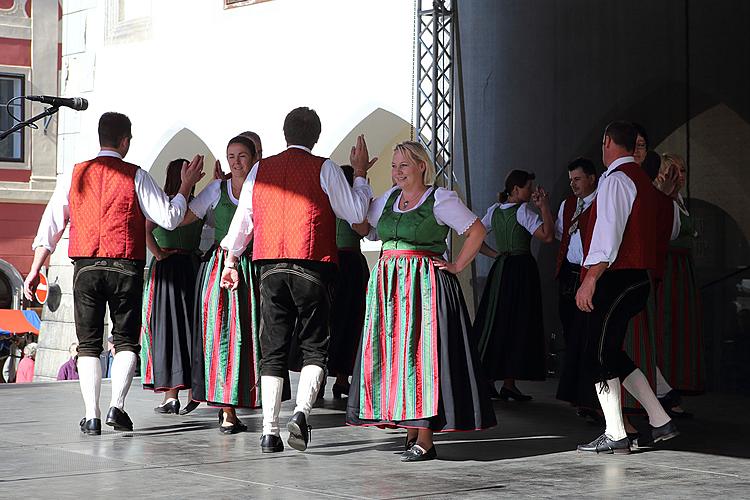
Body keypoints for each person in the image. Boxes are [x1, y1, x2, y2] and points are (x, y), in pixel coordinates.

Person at [24, 111, 205, 436]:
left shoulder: (75, 175)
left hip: (86, 267)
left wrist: (36, 268)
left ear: (100, 137)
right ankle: (116, 407)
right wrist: (186, 186)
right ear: (124, 141)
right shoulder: (137, 176)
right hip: (125, 267)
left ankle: (92, 416)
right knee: (124, 342)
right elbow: (170, 218)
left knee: (89, 345)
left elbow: (50, 224)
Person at [220, 107, 374, 454]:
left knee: (272, 348)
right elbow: (356, 214)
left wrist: (231, 260)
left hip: (269, 266)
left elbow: (243, 221)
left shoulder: (261, 169)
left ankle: (269, 431)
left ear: (285, 134)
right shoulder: (326, 168)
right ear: (315, 137)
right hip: (312, 265)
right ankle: (302, 412)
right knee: (314, 345)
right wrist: (361, 175)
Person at [346, 141, 495, 462]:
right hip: (388, 287)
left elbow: (477, 230)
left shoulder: (439, 199)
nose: (397, 172)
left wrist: (456, 266)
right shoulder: (386, 199)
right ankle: (411, 428)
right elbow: (362, 227)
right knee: (397, 357)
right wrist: (359, 177)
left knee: (423, 357)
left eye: (404, 165)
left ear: (421, 166)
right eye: (394, 166)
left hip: (424, 286)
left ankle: (425, 437)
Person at [575, 120, 680, 455]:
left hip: (618, 277)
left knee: (598, 354)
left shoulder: (617, 180)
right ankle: (660, 419)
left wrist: (591, 278)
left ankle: (616, 432)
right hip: (635, 278)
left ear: (607, 141)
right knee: (611, 352)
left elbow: (608, 234)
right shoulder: (642, 183)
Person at [184, 135, 263, 433]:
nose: (236, 162)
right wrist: (184, 187)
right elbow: (182, 218)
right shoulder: (216, 189)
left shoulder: (262, 188)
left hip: (254, 265)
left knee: (254, 336)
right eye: (231, 156)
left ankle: (252, 403)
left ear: (254, 157)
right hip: (223, 266)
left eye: (242, 156)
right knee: (221, 336)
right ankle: (226, 410)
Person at [474, 170, 555, 400]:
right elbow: (547, 236)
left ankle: (493, 380)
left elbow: (476, 237)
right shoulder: (523, 212)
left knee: (497, 321)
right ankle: (507, 383)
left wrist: (497, 255)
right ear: (516, 189)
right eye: (528, 187)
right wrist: (544, 207)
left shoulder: (494, 211)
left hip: (502, 270)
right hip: (521, 271)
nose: (531, 192)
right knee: (518, 322)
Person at [140, 159, 204, 414]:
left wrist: (157, 254)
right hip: (191, 267)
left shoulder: (163, 204)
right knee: (192, 329)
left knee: (168, 330)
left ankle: (171, 395)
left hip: (167, 269)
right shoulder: (196, 204)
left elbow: (145, 231)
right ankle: (194, 391)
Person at [653, 153, 704, 413]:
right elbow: (669, 232)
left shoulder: (680, 200)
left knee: (680, 326)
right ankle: (662, 391)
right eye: (675, 171)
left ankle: (671, 388)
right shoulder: (665, 199)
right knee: (666, 325)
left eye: (682, 171)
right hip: (668, 267)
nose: (680, 176)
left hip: (682, 269)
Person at [554, 158, 599, 410]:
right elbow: (561, 235)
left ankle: (591, 396)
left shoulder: (602, 202)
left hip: (590, 275)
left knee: (588, 336)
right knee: (570, 332)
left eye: (578, 179)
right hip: (569, 275)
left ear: (592, 178)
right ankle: (577, 393)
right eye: (571, 180)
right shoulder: (568, 204)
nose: (573, 184)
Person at [326, 164, 370, 399]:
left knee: (344, 320)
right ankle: (336, 376)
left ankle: (337, 376)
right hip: (343, 263)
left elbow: (365, 230)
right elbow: (362, 228)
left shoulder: (335, 202)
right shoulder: (347, 204)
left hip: (341, 264)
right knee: (343, 319)